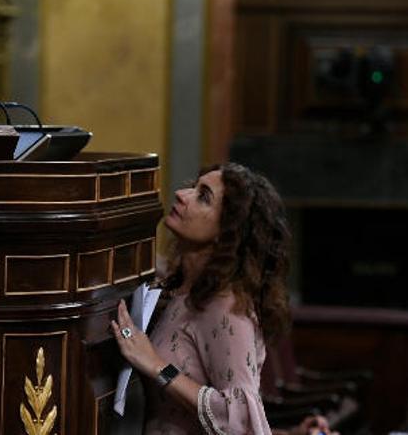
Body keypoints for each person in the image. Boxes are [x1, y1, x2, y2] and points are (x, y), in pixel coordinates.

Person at [111, 163, 331, 435]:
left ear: (227, 232)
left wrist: (156, 365)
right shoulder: (182, 283)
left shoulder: (225, 307)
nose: (181, 194)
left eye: (203, 197)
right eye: (193, 187)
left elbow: (239, 417)